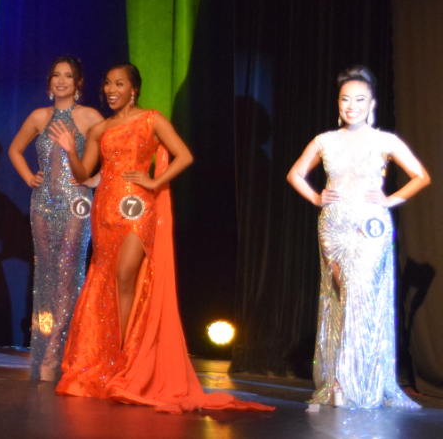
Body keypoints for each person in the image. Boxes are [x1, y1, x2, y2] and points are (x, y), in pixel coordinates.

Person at [50, 63, 270, 412]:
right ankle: (115, 361)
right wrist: (70, 150)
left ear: (133, 88)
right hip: (104, 210)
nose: (111, 89)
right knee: (106, 280)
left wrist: (154, 181)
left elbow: (184, 155)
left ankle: (128, 360)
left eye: (119, 84)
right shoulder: (100, 129)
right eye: (107, 83)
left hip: (137, 208)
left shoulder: (151, 119)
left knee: (125, 276)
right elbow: (83, 174)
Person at [287, 65, 429, 410]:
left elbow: (420, 176)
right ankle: (343, 380)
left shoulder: (385, 141)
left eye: (359, 99)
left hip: (370, 228)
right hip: (333, 227)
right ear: (338, 103)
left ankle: (346, 382)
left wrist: (391, 200)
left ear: (372, 103)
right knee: (343, 300)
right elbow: (294, 174)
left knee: (360, 299)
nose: (351, 105)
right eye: (345, 99)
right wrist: (317, 198)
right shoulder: (325, 140)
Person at [8, 56, 102, 381]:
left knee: (68, 274)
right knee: (46, 278)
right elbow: (15, 150)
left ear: (79, 83)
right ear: (49, 83)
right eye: (56, 76)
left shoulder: (90, 117)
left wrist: (95, 181)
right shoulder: (39, 116)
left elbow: (111, 154)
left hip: (77, 203)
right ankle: (48, 347)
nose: (62, 81)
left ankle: (55, 355)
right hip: (42, 204)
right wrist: (28, 177)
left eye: (69, 76)